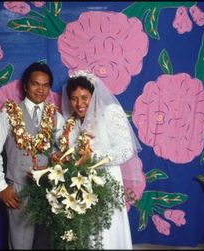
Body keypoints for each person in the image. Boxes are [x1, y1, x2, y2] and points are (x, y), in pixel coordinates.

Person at [0, 62, 64, 249]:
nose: (40, 89)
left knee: (48, 242)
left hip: (48, 188)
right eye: (35, 84)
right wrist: (1, 187)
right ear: (26, 86)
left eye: (45, 85)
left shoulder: (55, 116)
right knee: (21, 243)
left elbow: (64, 150)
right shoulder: (8, 113)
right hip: (18, 189)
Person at [59, 70, 143, 249]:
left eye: (84, 97)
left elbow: (126, 150)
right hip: (81, 184)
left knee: (107, 231)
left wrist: (93, 157)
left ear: (93, 94)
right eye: (74, 98)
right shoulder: (72, 121)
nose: (79, 104)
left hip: (107, 183)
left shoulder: (110, 112)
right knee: (85, 234)